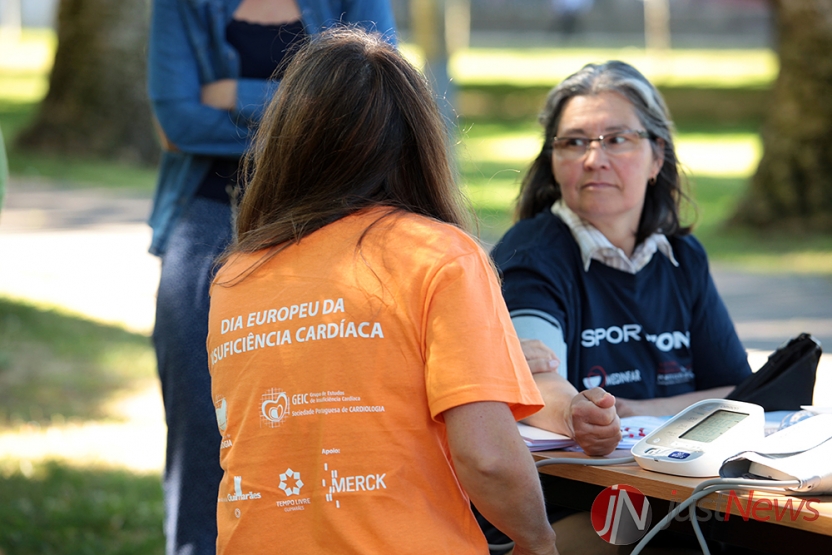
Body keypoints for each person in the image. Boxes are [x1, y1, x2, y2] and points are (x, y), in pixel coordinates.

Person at [206, 28, 558, 555]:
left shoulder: (235, 276)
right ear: (417, 146)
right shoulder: (441, 256)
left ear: (287, 144)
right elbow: (488, 458)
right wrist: (539, 542)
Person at [146, 1, 396, 554]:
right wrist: (313, 115)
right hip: (209, 212)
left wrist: (233, 93)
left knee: (329, 418)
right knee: (200, 424)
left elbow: (377, 104)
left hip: (328, 214)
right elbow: (177, 124)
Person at [489, 61, 752, 554]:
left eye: (616, 139)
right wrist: (575, 413)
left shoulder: (683, 257)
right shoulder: (530, 255)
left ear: (657, 157)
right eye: (574, 142)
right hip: (567, 505)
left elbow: (736, 391)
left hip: (676, 493)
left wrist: (635, 411)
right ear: (553, 161)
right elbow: (537, 375)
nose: (594, 159)